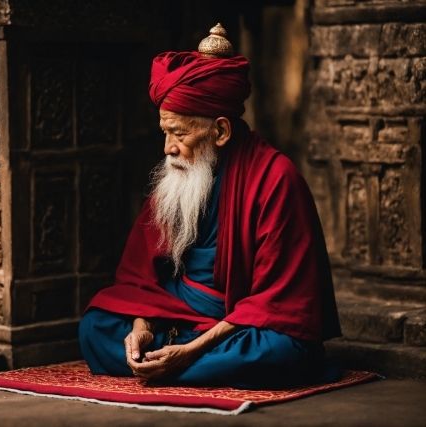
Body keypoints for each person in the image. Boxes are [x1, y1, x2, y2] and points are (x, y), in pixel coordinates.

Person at [78, 24, 342, 389]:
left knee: (281, 352)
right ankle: (182, 364)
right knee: (94, 328)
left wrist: (190, 351)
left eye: (180, 133)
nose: (168, 147)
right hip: (175, 316)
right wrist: (141, 329)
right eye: (165, 132)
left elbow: (278, 302)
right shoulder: (177, 177)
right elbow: (140, 280)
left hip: (240, 324)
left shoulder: (276, 178)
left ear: (220, 131)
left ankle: (180, 364)